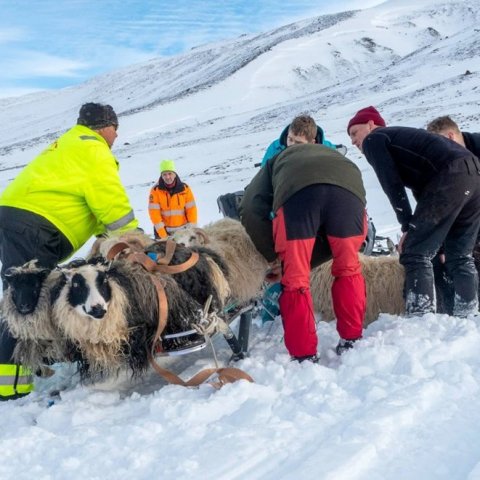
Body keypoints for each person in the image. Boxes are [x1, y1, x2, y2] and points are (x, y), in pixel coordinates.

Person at [0, 102, 139, 401]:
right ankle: (10, 388)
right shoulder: (93, 148)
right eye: (115, 128)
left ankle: (33, 363)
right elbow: (111, 205)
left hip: (20, 218)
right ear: (105, 127)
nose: (116, 136)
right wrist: (134, 239)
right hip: (34, 225)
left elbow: (97, 212)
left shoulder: (72, 143)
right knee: (25, 304)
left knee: (23, 297)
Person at [347, 106, 480, 317]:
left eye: (354, 133)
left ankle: (420, 315)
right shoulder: (406, 142)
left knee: (415, 252)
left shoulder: (375, 139)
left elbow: (391, 184)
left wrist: (407, 226)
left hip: (452, 175)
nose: (353, 141)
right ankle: (468, 314)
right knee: (460, 255)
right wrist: (420, 227)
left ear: (371, 125)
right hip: (473, 173)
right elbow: (426, 193)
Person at [240, 143, 368, 361]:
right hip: (349, 199)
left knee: (295, 280)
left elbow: (251, 205)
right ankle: (351, 340)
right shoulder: (336, 156)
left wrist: (273, 257)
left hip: (298, 200)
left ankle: (304, 355)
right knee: (348, 268)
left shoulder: (276, 160)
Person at [426, 115, 480, 313]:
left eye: (437, 144)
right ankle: (448, 312)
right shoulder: (446, 164)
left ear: (450, 137)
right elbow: (442, 208)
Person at [260, 114, 339, 167]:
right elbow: (264, 175)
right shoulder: (275, 148)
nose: (291, 145)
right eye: (290, 139)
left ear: (312, 143)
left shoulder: (328, 150)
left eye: (298, 143)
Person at [148, 160, 197, 239]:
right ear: (161, 176)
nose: (167, 177)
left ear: (174, 174)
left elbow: (191, 210)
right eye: (164, 174)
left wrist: (191, 230)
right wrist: (164, 236)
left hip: (183, 232)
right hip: (163, 232)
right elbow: (154, 214)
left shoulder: (185, 189)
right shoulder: (155, 191)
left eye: (170, 173)